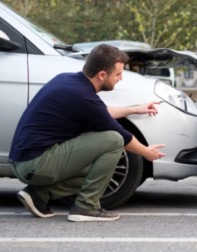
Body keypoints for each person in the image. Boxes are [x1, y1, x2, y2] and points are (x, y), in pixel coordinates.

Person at [9, 44, 165, 222]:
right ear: (102, 75)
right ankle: (85, 207)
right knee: (113, 140)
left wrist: (135, 109)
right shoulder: (82, 96)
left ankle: (38, 195)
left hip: (26, 161)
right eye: (118, 74)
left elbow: (100, 111)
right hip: (35, 164)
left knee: (99, 170)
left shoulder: (67, 80)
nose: (121, 78)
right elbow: (121, 135)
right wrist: (147, 152)